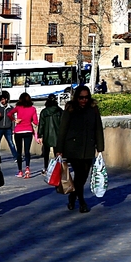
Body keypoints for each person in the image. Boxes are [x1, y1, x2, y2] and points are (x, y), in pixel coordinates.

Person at [56, 85, 105, 214]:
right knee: (78, 174)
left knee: (83, 176)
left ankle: (73, 196)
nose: (84, 100)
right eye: (81, 98)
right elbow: (62, 130)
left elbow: (98, 128)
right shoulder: (70, 109)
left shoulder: (93, 109)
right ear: (76, 97)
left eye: (86, 97)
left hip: (88, 148)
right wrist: (59, 149)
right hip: (73, 148)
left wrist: (100, 147)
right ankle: (82, 201)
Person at [6, 92, 39, 178]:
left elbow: (9, 114)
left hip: (18, 131)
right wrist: (30, 120)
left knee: (19, 152)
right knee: (27, 151)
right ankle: (27, 168)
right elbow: (36, 122)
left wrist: (14, 120)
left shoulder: (18, 108)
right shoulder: (33, 109)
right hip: (28, 130)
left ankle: (20, 171)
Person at [37, 95, 62, 172]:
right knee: (57, 153)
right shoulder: (59, 111)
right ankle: (58, 168)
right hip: (57, 134)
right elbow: (63, 123)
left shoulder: (44, 112)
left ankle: (46, 167)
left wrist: (39, 135)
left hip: (47, 134)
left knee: (46, 153)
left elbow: (41, 124)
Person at [0, 91, 17, 161]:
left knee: (11, 143)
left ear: (6, 99)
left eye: (3, 99)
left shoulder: (11, 108)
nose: (2, 101)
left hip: (8, 128)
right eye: (1, 99)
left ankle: (16, 157)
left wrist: (13, 128)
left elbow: (13, 119)